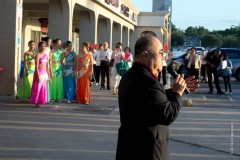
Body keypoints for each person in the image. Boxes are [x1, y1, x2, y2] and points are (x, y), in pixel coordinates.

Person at [116, 36, 199, 160]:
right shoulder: (149, 82)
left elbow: (149, 100)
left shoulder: (130, 75)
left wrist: (172, 90)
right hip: (147, 150)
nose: (163, 57)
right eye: (160, 53)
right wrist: (177, 94)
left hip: (129, 146)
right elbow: (167, 115)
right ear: (145, 55)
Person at [30, 41, 50, 107]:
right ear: (38, 47)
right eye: (41, 46)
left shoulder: (46, 55)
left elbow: (47, 66)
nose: (42, 47)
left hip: (44, 74)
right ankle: (37, 102)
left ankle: (41, 101)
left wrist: (49, 76)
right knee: (38, 88)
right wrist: (38, 76)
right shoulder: (37, 54)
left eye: (44, 46)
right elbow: (36, 66)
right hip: (39, 73)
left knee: (43, 88)